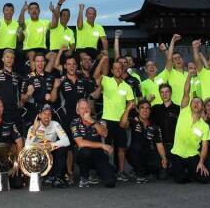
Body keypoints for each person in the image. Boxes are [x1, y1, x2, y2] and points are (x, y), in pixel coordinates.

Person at [92, 51, 134, 181]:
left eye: (119, 68)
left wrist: (126, 116)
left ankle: (121, 172)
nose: (117, 70)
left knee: (121, 148)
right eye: (114, 68)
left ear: (122, 70)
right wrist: (103, 60)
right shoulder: (106, 80)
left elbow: (131, 103)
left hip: (120, 122)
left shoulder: (127, 87)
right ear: (112, 70)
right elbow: (95, 75)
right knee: (106, 148)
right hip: (107, 120)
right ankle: (105, 171)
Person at [170, 69, 210, 184]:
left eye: (199, 103)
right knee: (181, 179)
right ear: (190, 105)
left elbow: (204, 147)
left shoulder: (204, 126)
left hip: (193, 155)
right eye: (194, 102)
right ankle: (184, 172)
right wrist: (188, 75)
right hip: (177, 153)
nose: (196, 104)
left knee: (205, 179)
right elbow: (186, 91)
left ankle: (191, 171)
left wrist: (201, 162)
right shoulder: (184, 111)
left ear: (202, 107)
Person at [71, 98, 116, 188]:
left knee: (110, 182)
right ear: (77, 111)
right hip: (84, 155)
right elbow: (80, 143)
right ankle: (84, 177)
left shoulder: (100, 122)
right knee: (85, 151)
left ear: (90, 109)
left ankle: (97, 173)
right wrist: (102, 145)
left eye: (87, 107)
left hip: (98, 154)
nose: (85, 110)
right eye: (82, 108)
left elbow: (104, 133)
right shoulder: (74, 123)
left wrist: (92, 122)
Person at [120, 99, 168, 183]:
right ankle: (140, 175)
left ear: (150, 111)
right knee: (137, 147)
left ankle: (143, 170)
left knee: (159, 164)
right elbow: (122, 124)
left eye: (147, 108)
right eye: (142, 108)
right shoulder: (133, 121)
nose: (145, 110)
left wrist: (164, 159)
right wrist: (128, 109)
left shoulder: (154, 126)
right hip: (134, 152)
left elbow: (159, 144)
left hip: (148, 153)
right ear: (138, 110)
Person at [25, 104, 70, 187]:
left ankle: (58, 178)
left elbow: (67, 141)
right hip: (38, 157)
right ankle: (44, 177)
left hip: (51, 154)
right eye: (44, 114)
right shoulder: (32, 128)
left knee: (62, 149)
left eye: (49, 114)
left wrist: (52, 145)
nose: (47, 116)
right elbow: (26, 147)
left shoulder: (55, 124)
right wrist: (34, 130)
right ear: (39, 115)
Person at [20, 52, 61, 131]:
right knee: (33, 136)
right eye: (38, 61)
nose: (40, 63)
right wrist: (28, 94)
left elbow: (53, 99)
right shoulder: (27, 78)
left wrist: (55, 88)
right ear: (34, 63)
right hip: (33, 111)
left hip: (48, 111)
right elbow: (22, 100)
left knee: (49, 137)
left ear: (45, 62)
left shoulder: (51, 77)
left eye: (42, 61)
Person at [18, 1, 50, 72]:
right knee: (32, 53)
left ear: (39, 11)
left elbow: (55, 24)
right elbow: (20, 23)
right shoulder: (25, 22)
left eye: (36, 8)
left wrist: (54, 10)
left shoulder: (45, 22)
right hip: (28, 49)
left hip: (42, 49)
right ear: (28, 12)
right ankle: (34, 76)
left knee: (53, 55)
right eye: (31, 9)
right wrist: (23, 10)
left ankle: (46, 75)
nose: (34, 10)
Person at [151, 84, 180, 159]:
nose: (164, 94)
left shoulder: (179, 109)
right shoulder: (155, 109)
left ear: (171, 93)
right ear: (159, 94)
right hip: (159, 146)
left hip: (175, 146)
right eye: (162, 92)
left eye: (167, 92)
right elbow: (142, 113)